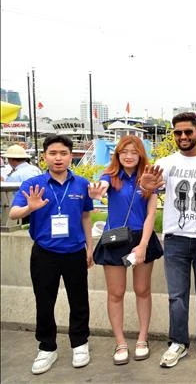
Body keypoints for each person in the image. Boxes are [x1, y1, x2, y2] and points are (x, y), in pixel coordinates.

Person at [139, 112, 196, 368]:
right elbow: (149, 193)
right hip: (175, 240)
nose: (183, 137)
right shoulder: (165, 163)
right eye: (178, 133)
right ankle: (178, 342)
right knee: (177, 296)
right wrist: (146, 186)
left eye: (188, 132)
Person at [9, 134, 94, 375]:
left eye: (63, 153)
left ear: (70, 156)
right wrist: (29, 208)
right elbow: (14, 213)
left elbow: (86, 216)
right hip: (45, 253)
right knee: (44, 301)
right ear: (44, 156)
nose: (58, 158)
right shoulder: (33, 184)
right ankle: (47, 347)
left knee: (79, 300)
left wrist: (90, 247)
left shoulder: (81, 184)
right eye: (53, 153)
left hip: (75, 251)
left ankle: (80, 343)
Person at [88, 135, 163, 365]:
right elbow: (102, 186)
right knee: (116, 293)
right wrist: (97, 191)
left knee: (142, 289)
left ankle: (142, 338)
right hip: (115, 238)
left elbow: (152, 213)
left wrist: (142, 246)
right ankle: (120, 342)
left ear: (140, 154)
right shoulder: (110, 176)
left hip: (142, 237)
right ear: (117, 155)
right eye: (123, 152)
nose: (128, 156)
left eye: (133, 151)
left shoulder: (148, 177)